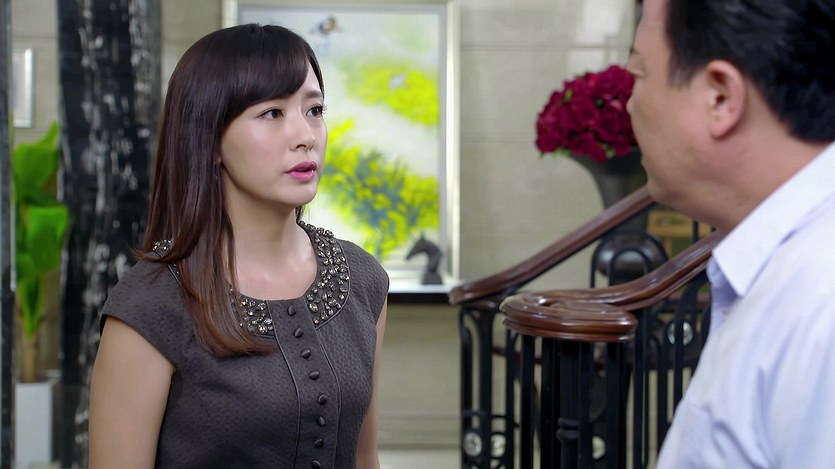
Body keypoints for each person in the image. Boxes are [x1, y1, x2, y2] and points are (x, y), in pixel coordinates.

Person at [88, 24, 389, 469]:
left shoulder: (361, 279)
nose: (305, 135)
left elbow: (364, 456)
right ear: (209, 139)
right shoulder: (151, 304)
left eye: (314, 109)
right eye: (272, 113)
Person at [626, 0, 835, 467]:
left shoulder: (822, 300)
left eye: (640, 74)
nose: (630, 103)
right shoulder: (788, 270)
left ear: (720, 97)